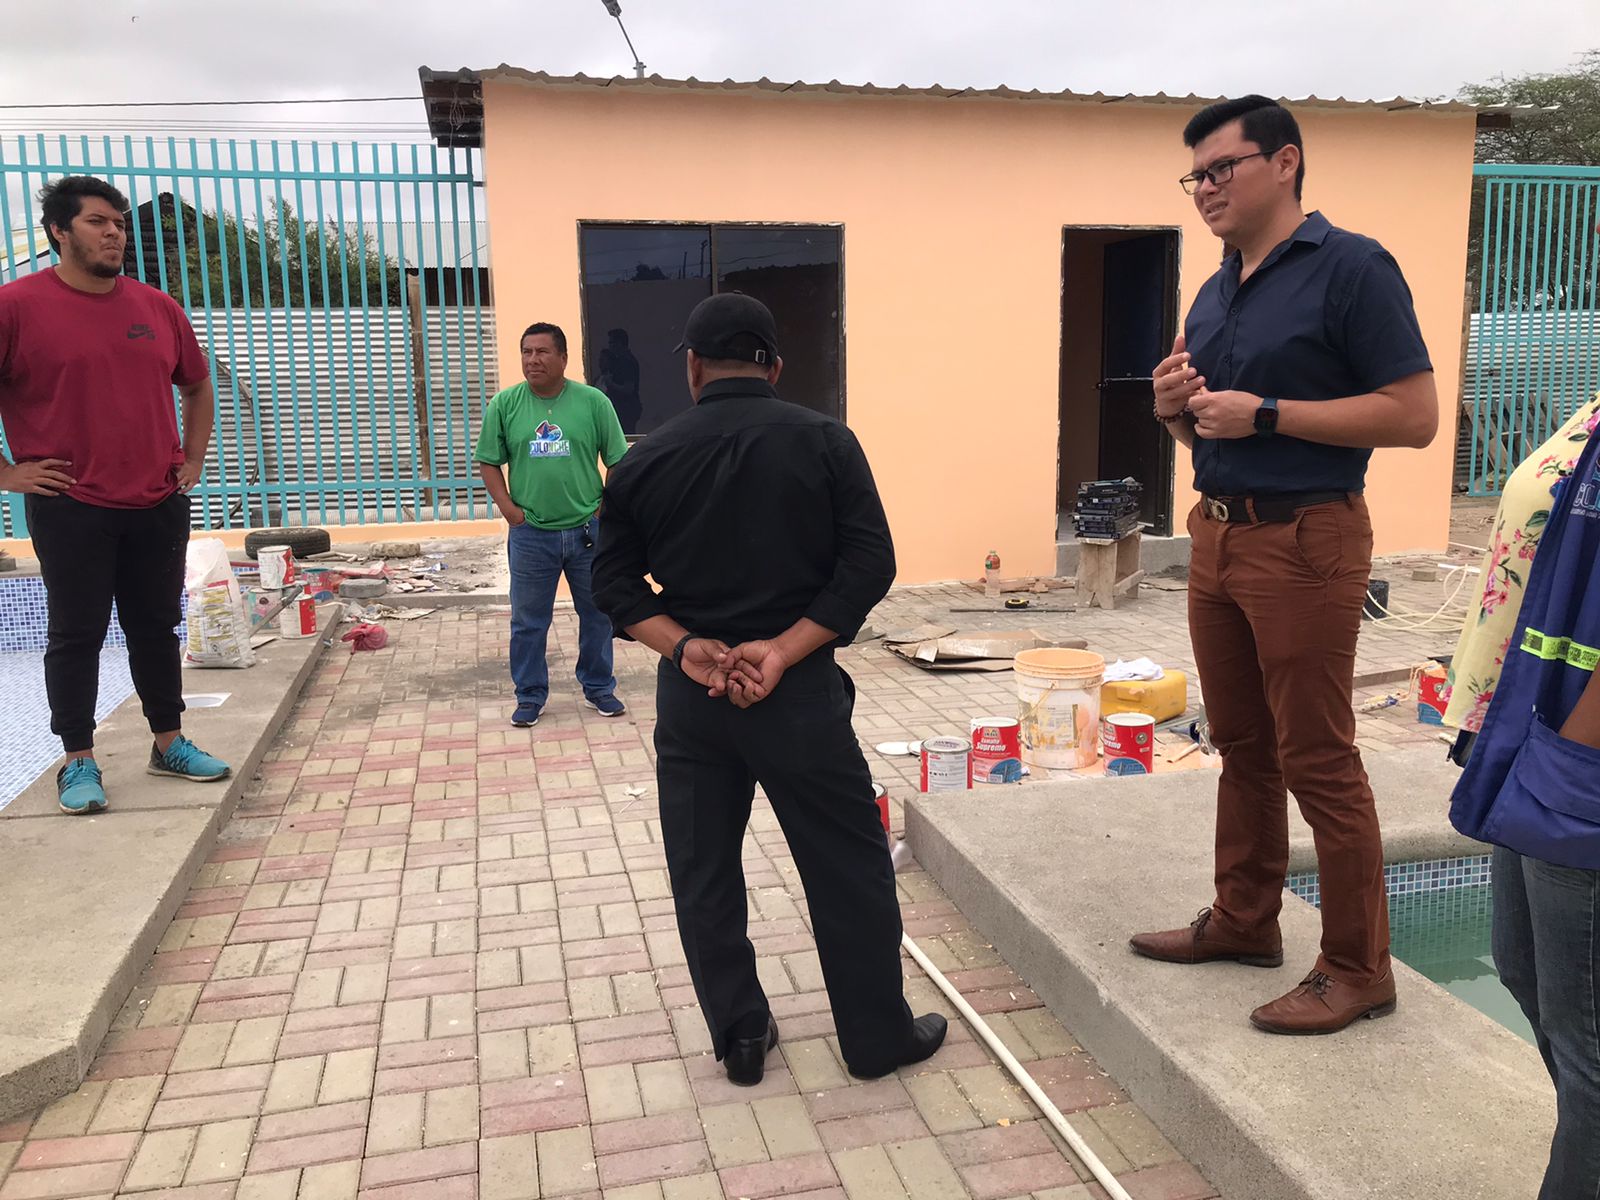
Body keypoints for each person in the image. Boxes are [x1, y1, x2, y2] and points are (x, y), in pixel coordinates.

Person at [1131, 96, 1439, 1034]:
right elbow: (1208, 430)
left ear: (1287, 162)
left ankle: (1357, 969)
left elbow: (1415, 416)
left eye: (1221, 168)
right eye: (1195, 176)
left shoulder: (1353, 268)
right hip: (1219, 535)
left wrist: (1266, 412)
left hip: (1307, 537)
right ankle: (1244, 919)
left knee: (1318, 756)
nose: (1205, 190)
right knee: (1242, 742)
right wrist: (1174, 411)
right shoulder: (1216, 288)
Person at [592, 293, 946, 1085]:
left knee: (704, 870)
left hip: (697, 700)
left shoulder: (645, 460)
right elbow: (870, 563)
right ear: (775, 366)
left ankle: (741, 1037)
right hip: (799, 696)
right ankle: (875, 1039)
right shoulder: (826, 441)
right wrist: (782, 651)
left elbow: (611, 582)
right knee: (847, 865)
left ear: (692, 367)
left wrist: (687, 649)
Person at [0, 176, 231, 815]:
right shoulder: (16, 307)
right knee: (77, 634)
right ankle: (77, 759)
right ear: (58, 231)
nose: (113, 234)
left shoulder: (157, 308)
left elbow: (197, 386)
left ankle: (169, 743)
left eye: (120, 224)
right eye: (98, 222)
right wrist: (7, 473)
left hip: (156, 500)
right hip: (72, 504)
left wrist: (192, 458)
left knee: (155, 627)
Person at [1444, 366, 1600, 1196]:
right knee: (1523, 970)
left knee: (1589, 1043)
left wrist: (1572, 749)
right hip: (1532, 733)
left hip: (1574, 759)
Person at [475, 322, 629, 727]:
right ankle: (529, 695)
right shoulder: (505, 404)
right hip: (531, 535)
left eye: (542, 352)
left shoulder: (593, 402)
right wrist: (510, 511)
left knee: (597, 614)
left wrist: (603, 508)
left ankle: (599, 687)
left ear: (563, 357)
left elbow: (618, 459)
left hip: (587, 533)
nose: (533, 360)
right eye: (526, 352)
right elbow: (488, 461)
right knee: (527, 622)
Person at [596, 328, 642, 434]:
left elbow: (629, 388)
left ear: (619, 343)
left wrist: (611, 384)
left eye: (611, 343)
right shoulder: (619, 361)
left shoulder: (627, 362)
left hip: (626, 409)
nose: (610, 346)